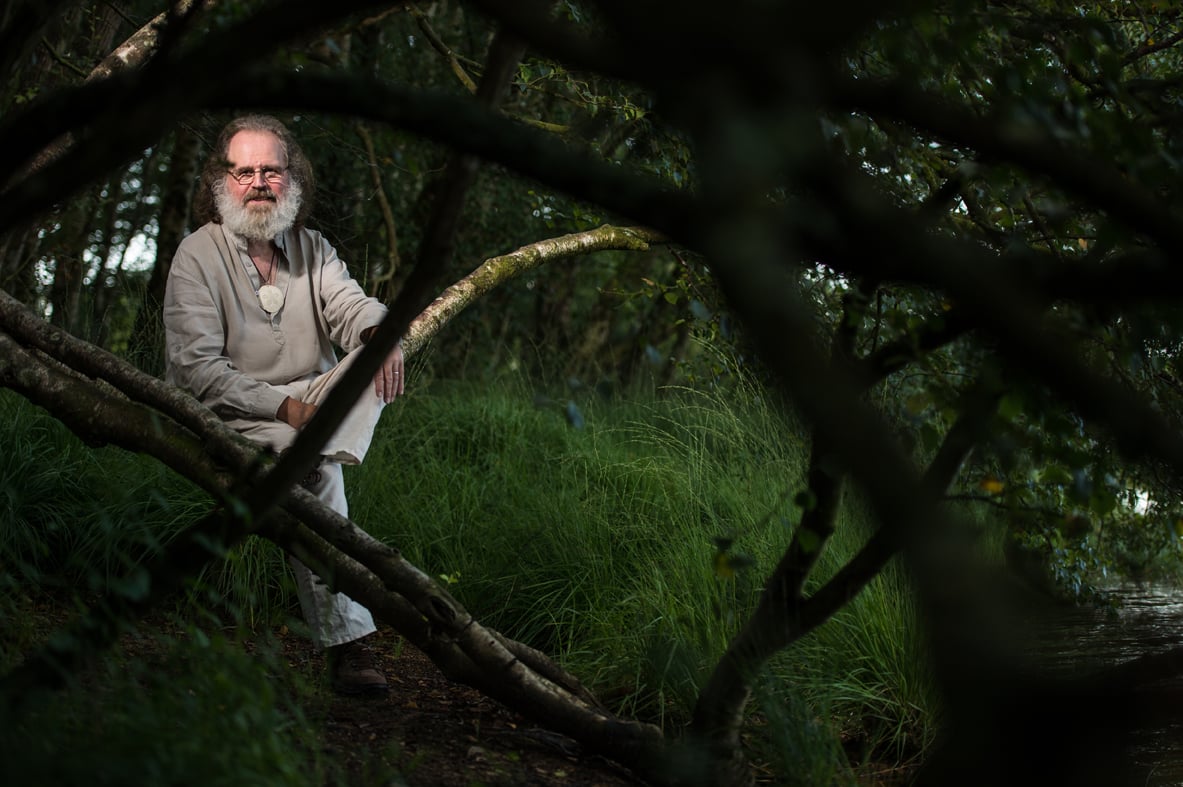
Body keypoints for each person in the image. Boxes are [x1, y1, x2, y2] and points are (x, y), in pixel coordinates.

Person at [162, 114, 404, 695]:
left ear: (292, 177)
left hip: (310, 410)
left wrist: (379, 334)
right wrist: (285, 411)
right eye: (243, 171)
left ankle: (314, 452)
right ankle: (352, 646)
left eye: (271, 169)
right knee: (317, 477)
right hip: (232, 412)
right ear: (221, 182)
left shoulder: (312, 247)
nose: (258, 181)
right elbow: (197, 369)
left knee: (371, 358)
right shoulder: (196, 255)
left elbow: (352, 305)